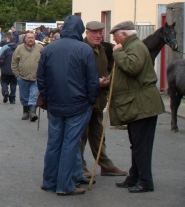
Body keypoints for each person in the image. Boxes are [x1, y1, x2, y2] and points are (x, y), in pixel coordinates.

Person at [37, 15, 99, 195]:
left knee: (54, 143)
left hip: (55, 103)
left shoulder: (49, 49)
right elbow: (92, 80)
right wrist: (91, 100)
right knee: (70, 144)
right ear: (79, 30)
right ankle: (65, 185)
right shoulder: (84, 49)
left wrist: (48, 99)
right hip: (78, 104)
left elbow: (41, 78)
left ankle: (49, 181)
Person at [109, 21, 165, 193]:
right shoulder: (132, 46)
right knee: (137, 144)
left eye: (115, 35)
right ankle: (134, 176)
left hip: (143, 104)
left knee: (142, 145)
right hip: (139, 104)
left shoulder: (136, 47)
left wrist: (117, 54)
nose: (114, 39)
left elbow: (132, 67)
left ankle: (145, 181)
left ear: (124, 34)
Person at [81, 21, 128, 178]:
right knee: (82, 135)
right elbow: (78, 74)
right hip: (85, 100)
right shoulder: (82, 48)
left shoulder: (102, 49)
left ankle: (106, 166)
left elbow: (106, 69)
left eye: (100, 32)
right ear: (87, 33)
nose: (98, 35)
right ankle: (80, 167)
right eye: (94, 32)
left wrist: (108, 80)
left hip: (99, 99)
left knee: (98, 135)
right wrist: (96, 82)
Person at [11, 31, 43, 122]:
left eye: (32, 37)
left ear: (34, 38)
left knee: (34, 95)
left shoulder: (40, 48)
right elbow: (14, 63)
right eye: (29, 37)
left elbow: (45, 62)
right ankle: (26, 112)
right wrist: (17, 75)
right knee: (24, 96)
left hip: (36, 77)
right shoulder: (19, 49)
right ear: (25, 39)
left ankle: (32, 113)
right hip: (23, 77)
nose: (30, 39)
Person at [0, 35, 17, 104]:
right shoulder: (18, 48)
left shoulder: (5, 48)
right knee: (13, 83)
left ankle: (5, 91)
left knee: (3, 81)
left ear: (8, 40)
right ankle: (12, 98)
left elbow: (0, 58)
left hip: (5, 69)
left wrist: (1, 66)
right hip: (15, 69)